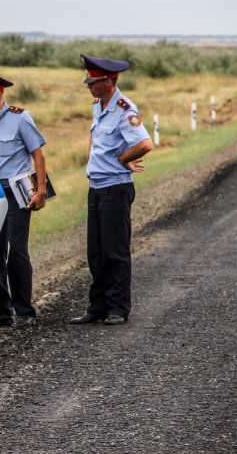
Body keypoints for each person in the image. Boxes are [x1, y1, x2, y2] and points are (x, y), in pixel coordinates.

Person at [71, 54, 153, 326]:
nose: (88, 86)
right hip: (96, 187)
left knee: (114, 251)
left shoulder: (124, 108)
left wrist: (123, 159)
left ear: (108, 81)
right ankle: (98, 306)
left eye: (92, 82)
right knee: (95, 251)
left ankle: (118, 307)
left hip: (116, 188)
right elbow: (96, 140)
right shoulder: (99, 105)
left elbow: (145, 144)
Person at [0, 66, 48, 330]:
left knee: (17, 250)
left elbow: (37, 154)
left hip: (17, 193)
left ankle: (24, 310)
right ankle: (1, 312)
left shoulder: (20, 118)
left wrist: (40, 190)